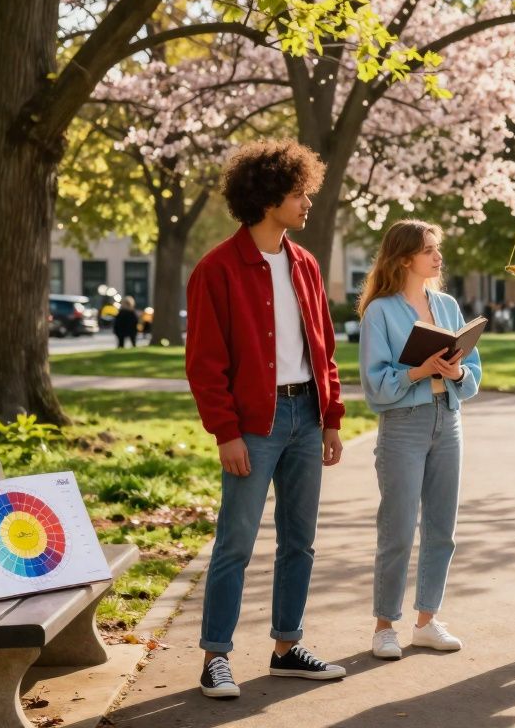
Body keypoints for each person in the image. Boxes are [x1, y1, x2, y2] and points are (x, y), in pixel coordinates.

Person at [185, 139, 348, 699]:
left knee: (300, 541)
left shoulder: (304, 264)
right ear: (267, 195)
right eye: (299, 192)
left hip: (307, 414)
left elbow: (323, 347)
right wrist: (226, 432)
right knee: (236, 542)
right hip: (254, 422)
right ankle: (215, 657)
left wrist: (331, 417)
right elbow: (205, 364)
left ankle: (286, 647)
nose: (307, 202)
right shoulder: (218, 269)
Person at [359, 220, 482, 661]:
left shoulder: (448, 306)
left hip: (447, 421)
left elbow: (475, 376)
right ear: (406, 257)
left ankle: (428, 622)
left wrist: (457, 372)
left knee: (441, 528)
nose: (437, 256)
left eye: (437, 249)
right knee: (397, 529)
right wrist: (418, 371)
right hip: (403, 425)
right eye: (429, 249)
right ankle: (384, 627)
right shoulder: (380, 311)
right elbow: (374, 387)